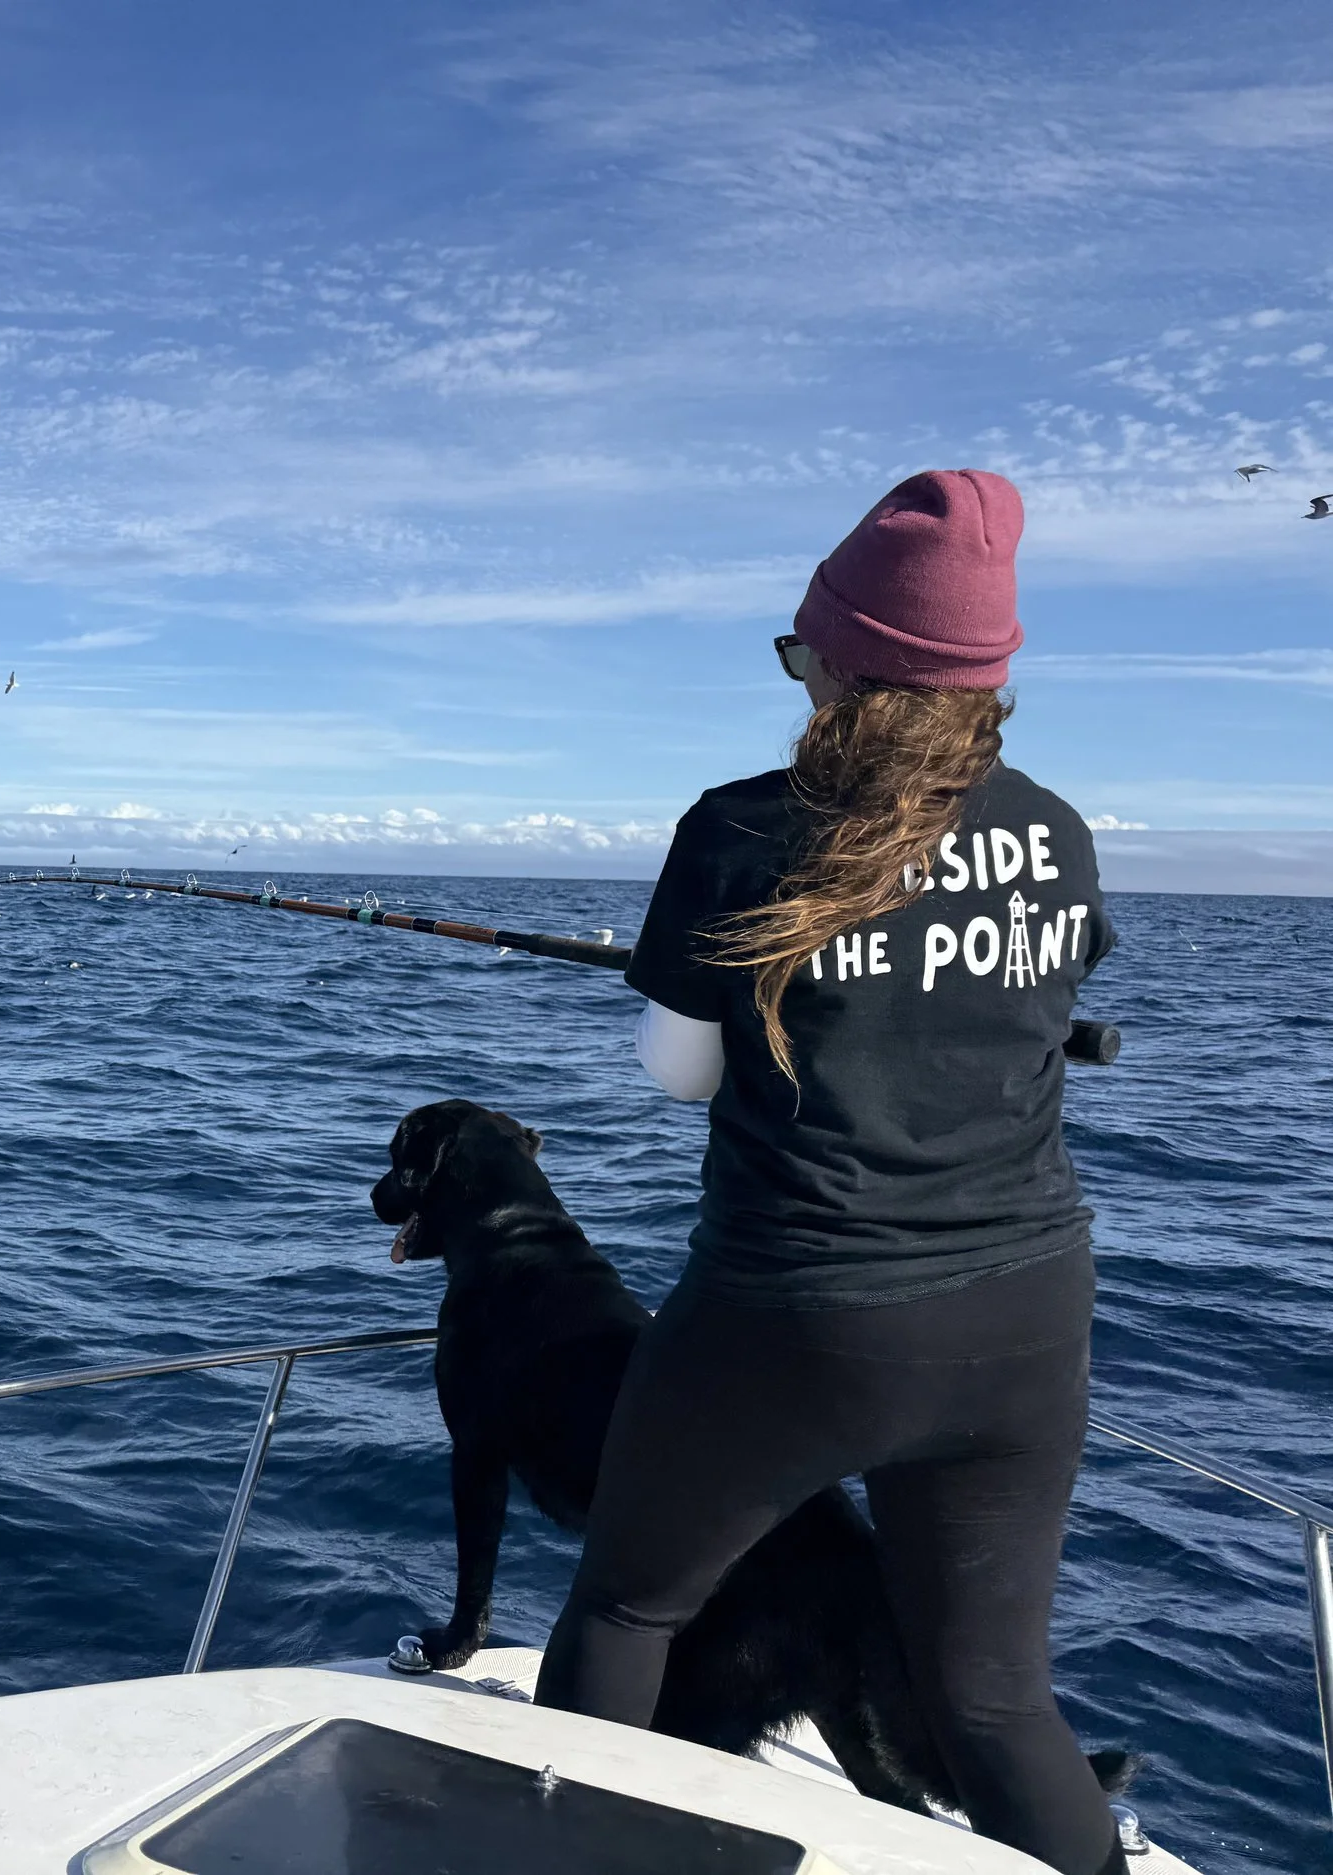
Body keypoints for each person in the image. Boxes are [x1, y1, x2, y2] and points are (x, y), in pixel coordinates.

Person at [532, 470, 1128, 1875]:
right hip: (1027, 1315)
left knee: (627, 1612)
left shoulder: (743, 827)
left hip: (797, 1314)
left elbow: (675, 1073)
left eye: (805, 654)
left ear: (844, 665)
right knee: (991, 1698)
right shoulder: (1058, 829)